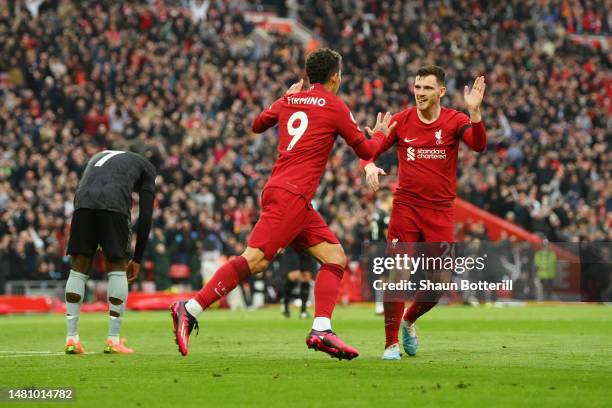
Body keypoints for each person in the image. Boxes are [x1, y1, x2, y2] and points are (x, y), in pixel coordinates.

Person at [170, 48, 396, 359]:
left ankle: (321, 329)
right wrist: (382, 135)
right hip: (291, 195)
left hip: (287, 193)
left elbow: (257, 124)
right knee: (255, 260)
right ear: (335, 77)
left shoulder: (290, 99)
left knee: (334, 257)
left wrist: (283, 98)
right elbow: (367, 147)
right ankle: (190, 308)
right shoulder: (334, 106)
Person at [362, 66, 487, 360]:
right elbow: (372, 148)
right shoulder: (402, 120)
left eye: (427, 88)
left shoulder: (456, 120)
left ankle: (408, 320)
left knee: (441, 283)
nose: (420, 93)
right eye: (417, 87)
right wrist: (368, 162)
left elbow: (479, 145)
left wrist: (476, 114)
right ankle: (390, 343)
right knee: (399, 273)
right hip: (406, 208)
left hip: (440, 212)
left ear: (441, 92)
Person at [64, 150, 156, 354]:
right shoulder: (148, 168)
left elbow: (84, 186)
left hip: (82, 204)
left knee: (78, 267)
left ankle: (71, 338)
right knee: (116, 267)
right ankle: (113, 339)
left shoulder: (99, 155)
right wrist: (137, 258)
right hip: (113, 204)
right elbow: (146, 215)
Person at [280, 247, 318, 319]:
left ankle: (303, 311)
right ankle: (285, 302)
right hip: (293, 247)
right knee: (294, 275)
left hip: (306, 247)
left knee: (306, 276)